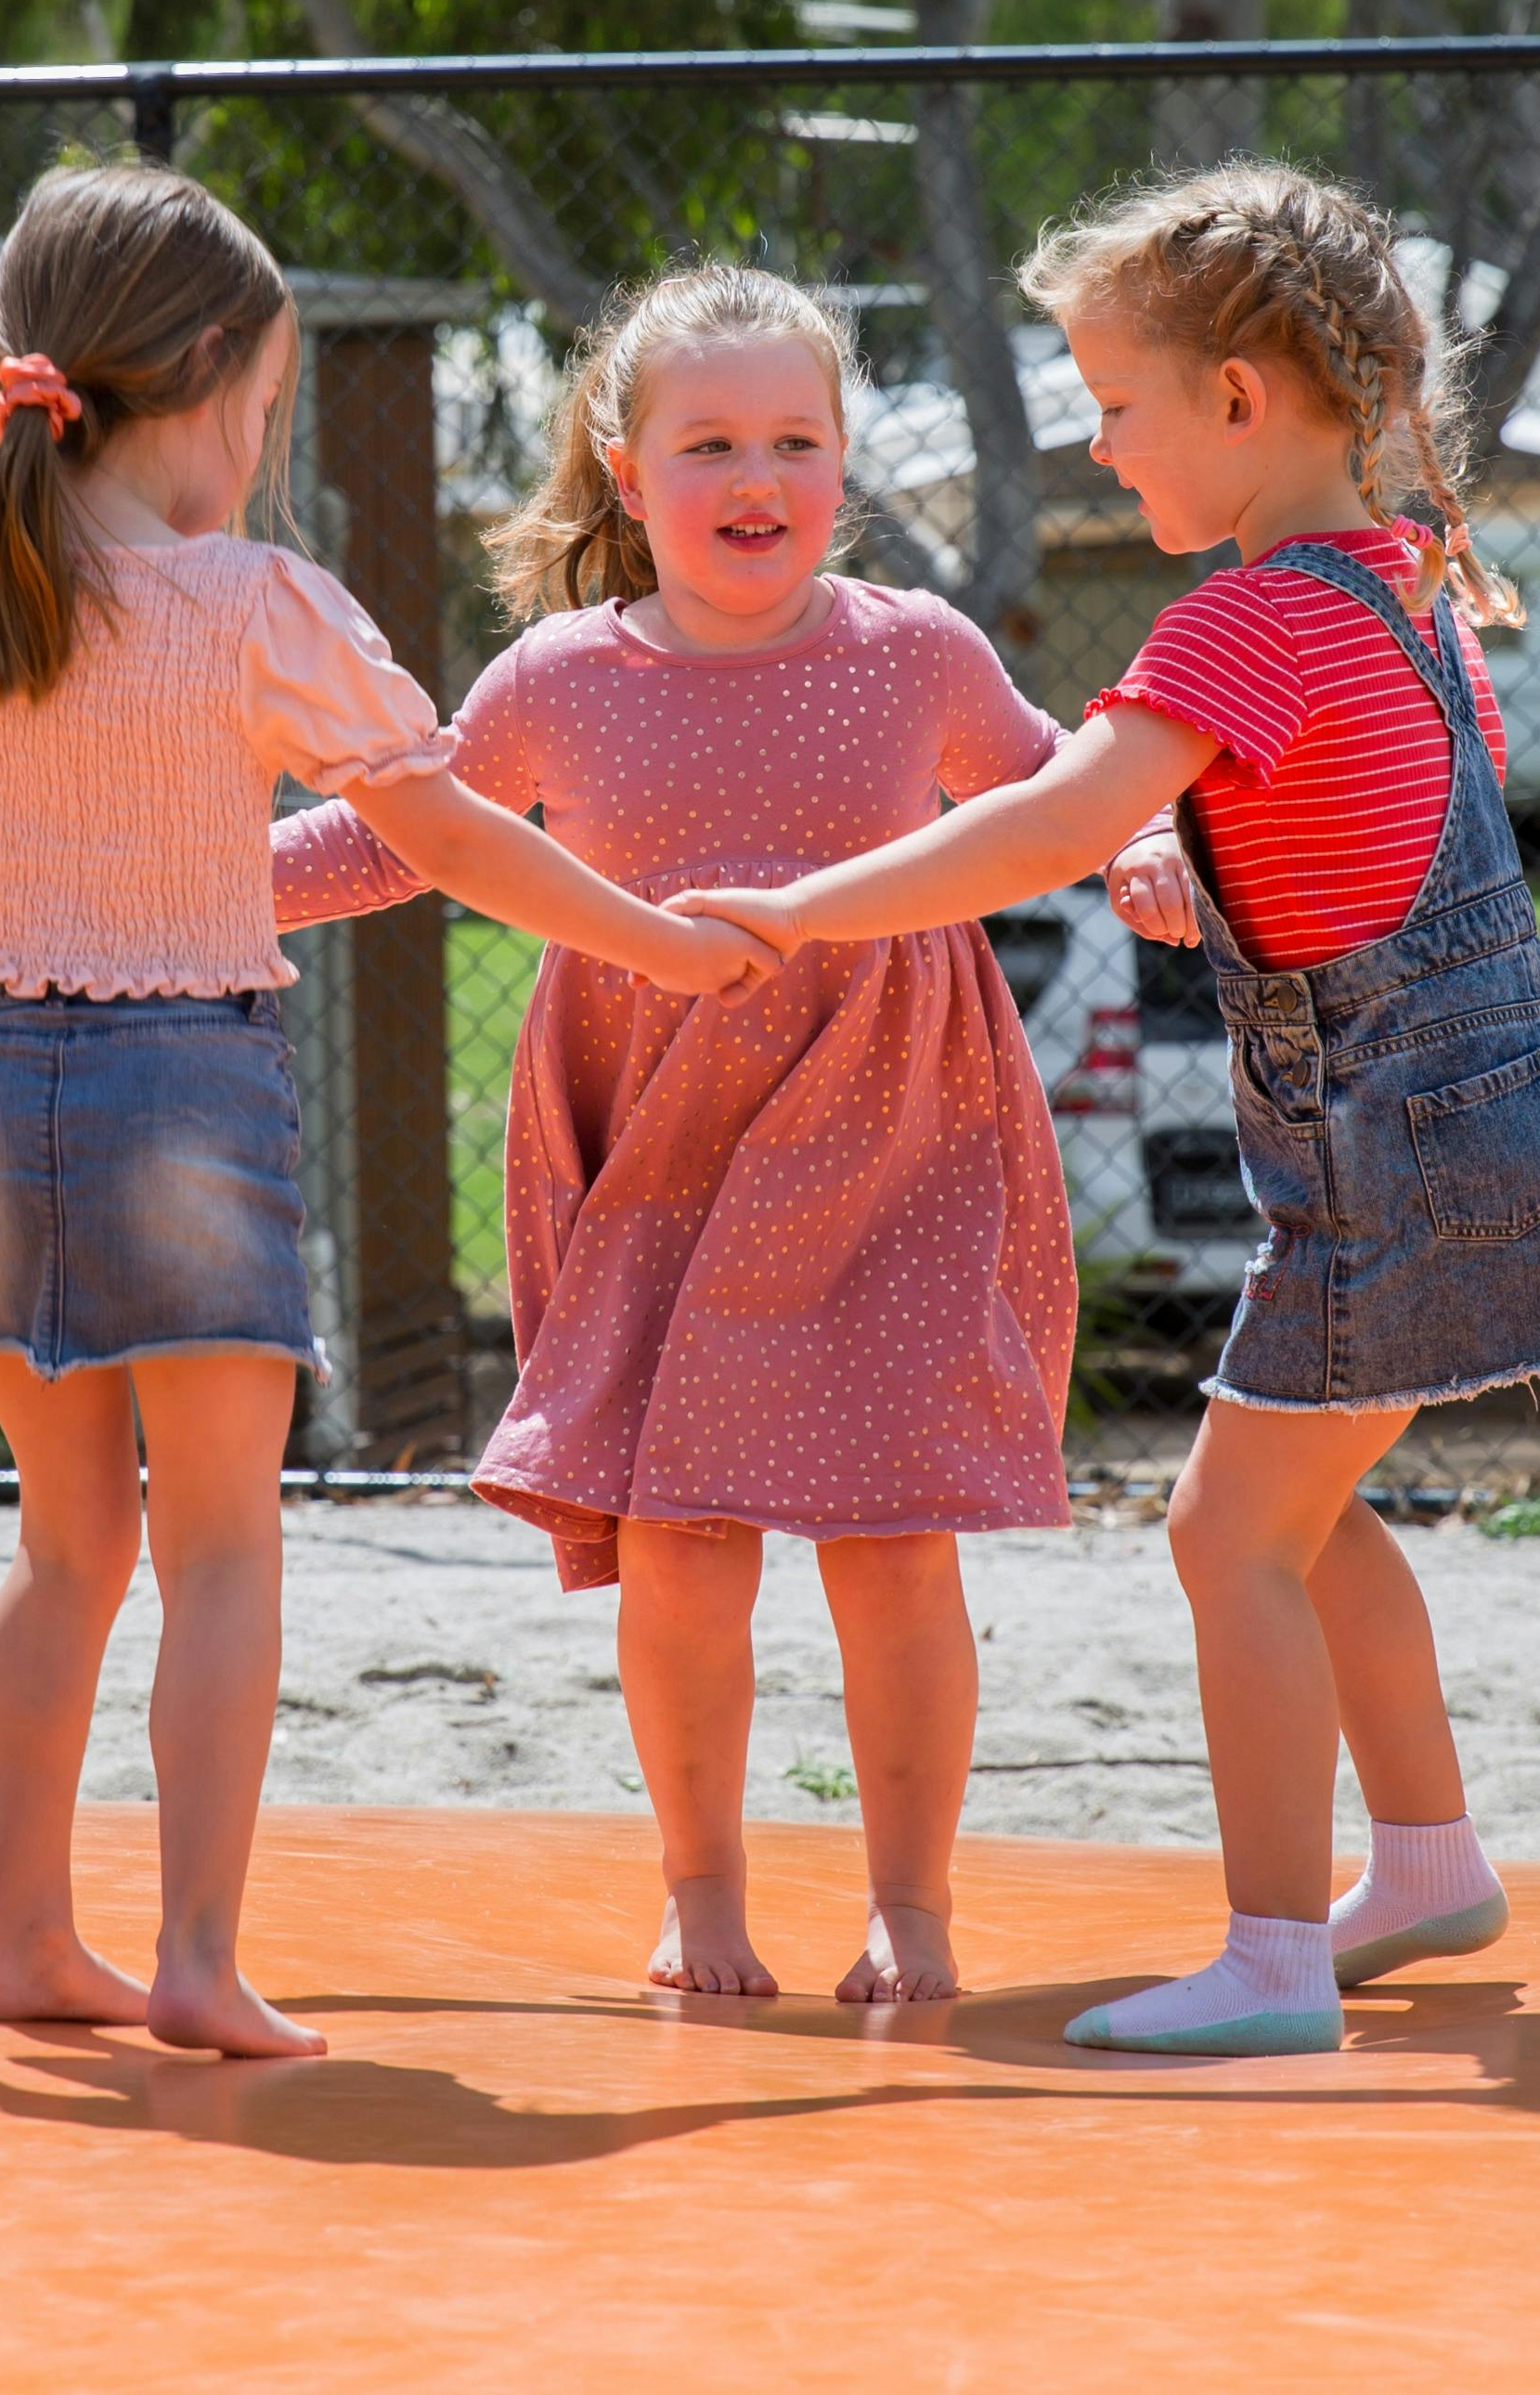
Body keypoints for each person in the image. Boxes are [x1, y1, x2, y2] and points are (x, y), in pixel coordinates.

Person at [0, 162, 767, 2060]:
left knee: (60, 1545)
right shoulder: (253, 602)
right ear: (197, 378)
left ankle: (22, 1929)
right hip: (184, 1080)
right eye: (262, 411)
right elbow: (438, 830)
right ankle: (193, 1951)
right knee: (218, 1546)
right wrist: (650, 943)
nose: (258, 451)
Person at [677, 162, 1540, 2058]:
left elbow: (1047, 816)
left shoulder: (1239, 621)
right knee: (1299, 1506)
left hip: (1386, 1156)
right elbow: (1348, 834)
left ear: (1235, 399)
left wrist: (799, 908)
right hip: (1470, 1137)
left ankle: (1277, 1954)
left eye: (1115, 406)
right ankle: (1430, 1859)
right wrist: (1193, 866)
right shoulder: (1395, 579)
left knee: (1224, 1533)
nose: (1097, 445)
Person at [272, 265, 1080, 2007]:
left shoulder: (917, 652)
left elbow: (1053, 791)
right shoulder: (562, 676)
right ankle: (701, 1885)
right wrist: (180, 887)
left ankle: (914, 1907)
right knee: (687, 1545)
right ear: (626, 474)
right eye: (708, 441)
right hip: (659, 1138)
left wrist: (1152, 852)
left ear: (845, 465)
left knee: (892, 1542)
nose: (754, 475)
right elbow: (406, 838)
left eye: (795, 437)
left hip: (892, 1123)